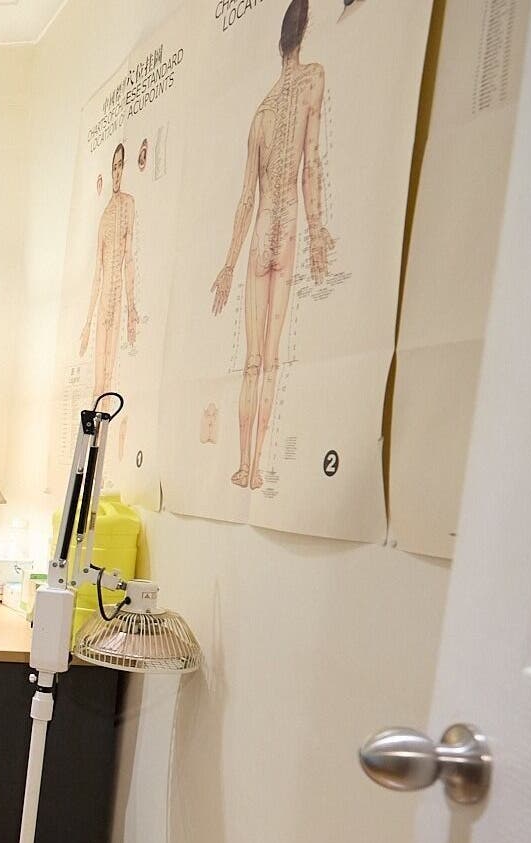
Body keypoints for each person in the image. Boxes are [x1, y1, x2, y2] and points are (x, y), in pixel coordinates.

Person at [211, 0, 334, 489]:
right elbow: (311, 166)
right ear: (305, 32)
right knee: (272, 358)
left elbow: (246, 199)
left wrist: (228, 264)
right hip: (283, 239)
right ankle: (257, 467)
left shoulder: (261, 112)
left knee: (251, 363)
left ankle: (245, 466)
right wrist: (318, 229)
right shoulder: (313, 80)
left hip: (261, 233)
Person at [79, 142, 139, 452]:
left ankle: (104, 451)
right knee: (98, 382)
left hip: (117, 301)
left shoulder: (128, 205)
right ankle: (91, 449)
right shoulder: (104, 217)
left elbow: (129, 259)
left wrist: (132, 308)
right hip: (104, 302)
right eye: (113, 167)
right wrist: (88, 323)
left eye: (120, 166)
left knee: (110, 378)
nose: (116, 172)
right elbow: (96, 274)